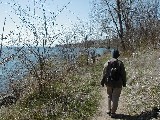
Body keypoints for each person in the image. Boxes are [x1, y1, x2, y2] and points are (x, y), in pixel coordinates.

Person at [101, 49, 126, 118]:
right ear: (118, 55)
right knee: (115, 97)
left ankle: (108, 110)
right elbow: (123, 74)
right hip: (118, 83)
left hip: (109, 83)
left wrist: (102, 82)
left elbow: (104, 74)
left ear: (112, 55)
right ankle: (113, 112)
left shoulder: (107, 63)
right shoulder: (120, 63)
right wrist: (124, 82)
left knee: (109, 95)